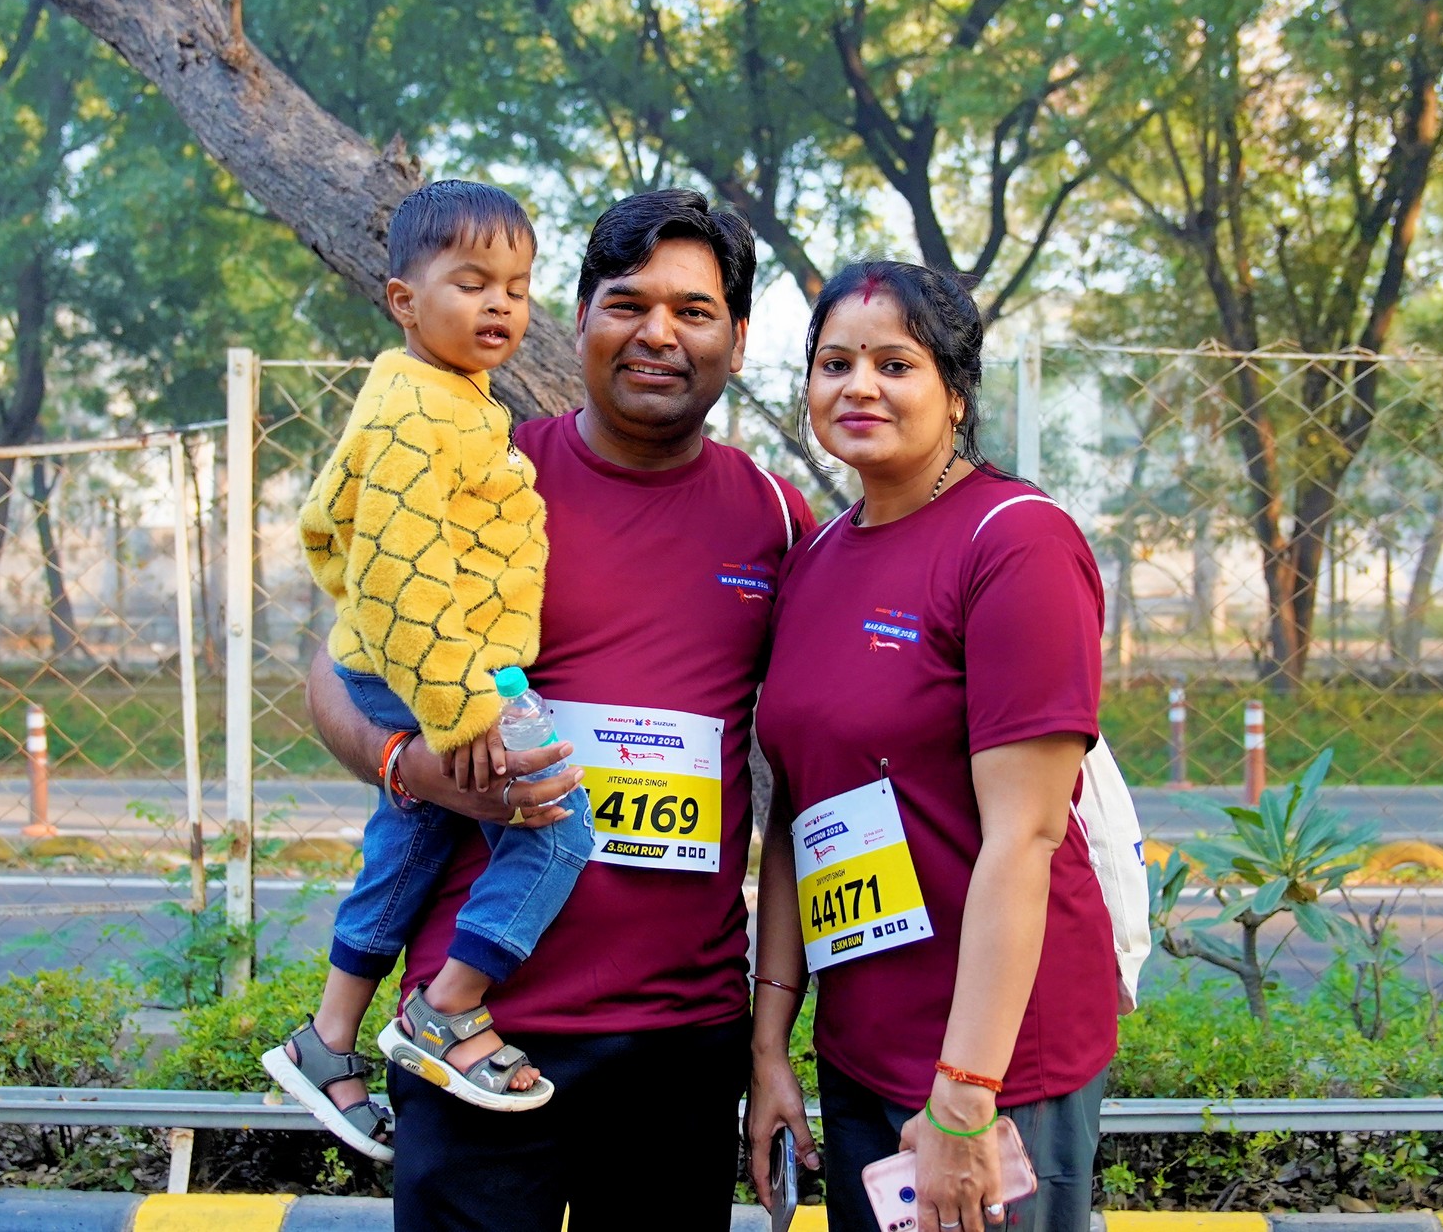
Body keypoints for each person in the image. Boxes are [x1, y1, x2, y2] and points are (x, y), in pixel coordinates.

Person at [304, 188, 814, 1230]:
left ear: (737, 340)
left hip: (680, 1037)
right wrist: (409, 766)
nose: (658, 333)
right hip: (475, 1032)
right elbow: (336, 667)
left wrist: (770, 1048)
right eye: (627, 304)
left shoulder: (774, 516)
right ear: (578, 319)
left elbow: (811, 768)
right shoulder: (490, 474)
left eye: (694, 311)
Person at [747, 261, 1115, 1232]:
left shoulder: (1016, 543)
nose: (858, 387)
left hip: (994, 1065)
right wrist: (771, 1045)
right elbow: (797, 815)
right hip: (860, 1047)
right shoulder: (816, 558)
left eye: (894, 364)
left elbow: (1027, 835)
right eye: (834, 364)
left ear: (955, 391)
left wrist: (964, 1091)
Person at [265, 180, 595, 1157]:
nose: (500, 305)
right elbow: (402, 576)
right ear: (404, 300)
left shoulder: (444, 397)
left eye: (517, 288)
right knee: (554, 822)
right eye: (472, 283)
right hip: (441, 675)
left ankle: (328, 1036)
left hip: (414, 664)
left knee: (410, 839)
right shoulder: (418, 412)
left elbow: (345, 533)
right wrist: (465, 714)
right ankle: (446, 1009)